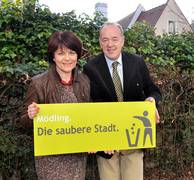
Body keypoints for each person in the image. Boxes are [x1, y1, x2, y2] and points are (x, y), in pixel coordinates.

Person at [83, 22, 162, 180]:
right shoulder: (90, 68)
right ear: (100, 42)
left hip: (133, 140)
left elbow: (153, 90)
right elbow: (89, 104)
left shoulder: (137, 62)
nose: (110, 44)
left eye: (114, 39)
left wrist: (151, 100)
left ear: (122, 40)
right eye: (105, 40)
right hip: (107, 144)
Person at [20, 31, 90, 180]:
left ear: (77, 55)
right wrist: (31, 116)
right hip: (50, 159)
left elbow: (90, 116)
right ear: (53, 56)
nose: (67, 58)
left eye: (72, 53)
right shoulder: (38, 83)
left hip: (77, 158)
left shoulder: (84, 81)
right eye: (61, 53)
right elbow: (22, 121)